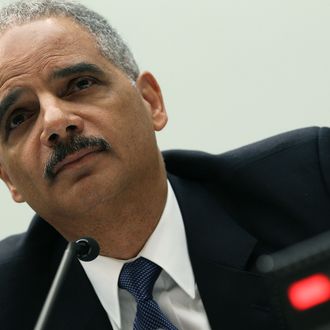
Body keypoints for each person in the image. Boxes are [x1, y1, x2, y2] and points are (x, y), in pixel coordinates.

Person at [0, 1, 329, 329]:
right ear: (8, 178)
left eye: (80, 84)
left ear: (150, 101)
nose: (55, 122)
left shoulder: (313, 182)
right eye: (19, 118)